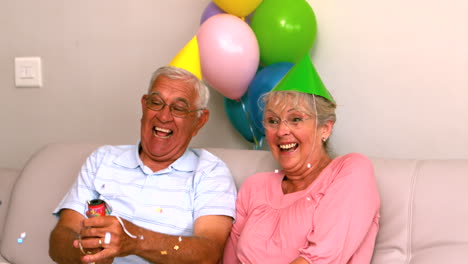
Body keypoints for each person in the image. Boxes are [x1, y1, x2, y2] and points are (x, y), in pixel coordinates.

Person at [49, 66, 237, 264]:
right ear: (144, 105)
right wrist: (86, 254)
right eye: (156, 103)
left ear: (200, 121)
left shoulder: (210, 172)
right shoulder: (102, 159)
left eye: (178, 108)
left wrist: (135, 240)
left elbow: (209, 253)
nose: (164, 117)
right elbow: (59, 239)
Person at [223, 56, 381, 263]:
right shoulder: (255, 187)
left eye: (296, 119)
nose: (281, 131)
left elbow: (320, 259)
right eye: (272, 121)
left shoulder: (352, 170)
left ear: (325, 128)